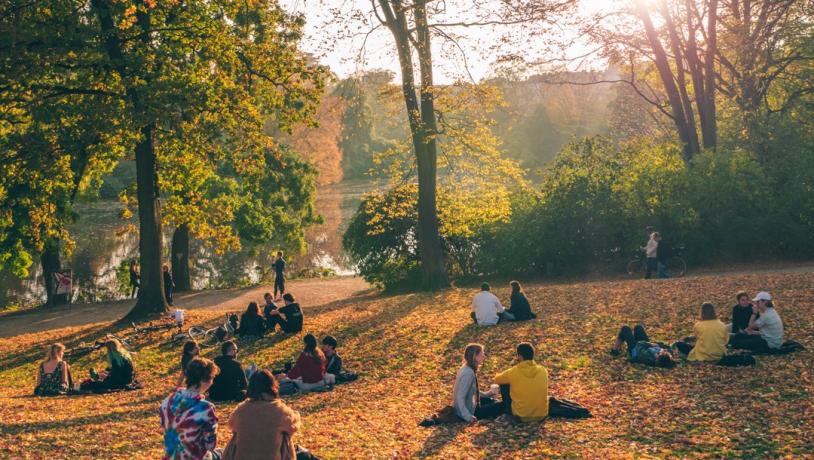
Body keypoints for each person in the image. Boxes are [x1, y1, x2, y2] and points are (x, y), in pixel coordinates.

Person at [223, 370, 316, 460]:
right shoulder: (280, 410)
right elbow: (294, 425)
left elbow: (231, 425)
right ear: (272, 385)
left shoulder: (241, 409)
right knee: (286, 438)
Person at [160, 357, 222, 460]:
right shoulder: (205, 408)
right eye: (212, 378)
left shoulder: (166, 402)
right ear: (204, 380)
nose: (212, 382)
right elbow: (210, 446)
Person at [493, 342, 549, 422]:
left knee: (504, 383)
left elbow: (497, 379)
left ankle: (509, 413)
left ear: (519, 356)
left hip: (521, 415)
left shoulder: (513, 371)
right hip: (542, 415)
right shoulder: (543, 370)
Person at [452, 343, 505, 423]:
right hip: (470, 411)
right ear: (474, 357)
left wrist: (488, 393)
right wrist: (468, 417)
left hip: (471, 404)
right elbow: (459, 397)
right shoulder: (468, 373)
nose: (484, 357)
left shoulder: (467, 368)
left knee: (494, 401)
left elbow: (473, 391)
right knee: (502, 405)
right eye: (482, 355)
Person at [611, 324, 677, 368]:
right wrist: (660, 346)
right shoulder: (666, 354)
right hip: (645, 346)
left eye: (658, 353)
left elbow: (639, 344)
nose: (659, 352)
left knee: (625, 329)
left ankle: (614, 350)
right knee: (638, 327)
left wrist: (651, 344)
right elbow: (668, 348)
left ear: (657, 358)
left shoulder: (647, 356)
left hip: (636, 350)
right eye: (661, 351)